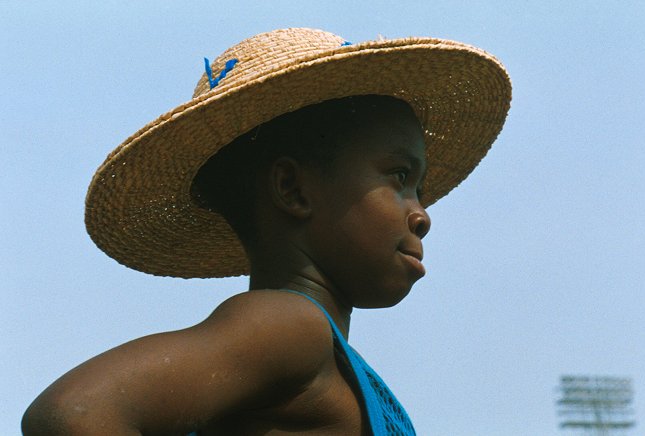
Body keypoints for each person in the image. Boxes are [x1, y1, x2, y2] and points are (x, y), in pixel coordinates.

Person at [22, 28, 511, 435]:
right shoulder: (289, 328)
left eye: (419, 189)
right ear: (292, 189)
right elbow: (72, 413)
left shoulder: (322, 358)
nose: (421, 213)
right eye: (399, 177)